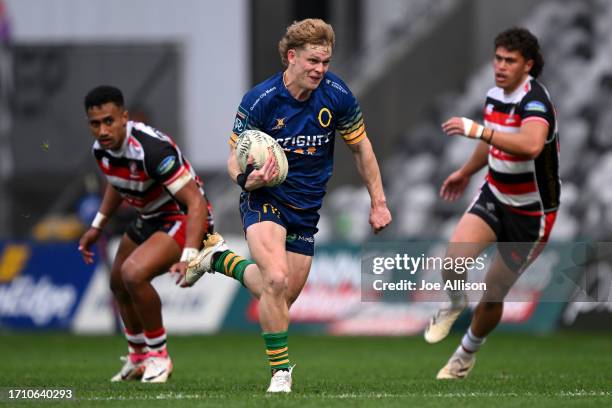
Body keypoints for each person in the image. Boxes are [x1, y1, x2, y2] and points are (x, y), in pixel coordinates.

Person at [182, 18, 392, 393]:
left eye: (325, 62)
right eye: (313, 61)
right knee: (275, 279)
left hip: (307, 206)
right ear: (291, 57)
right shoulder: (260, 100)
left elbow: (361, 147)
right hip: (265, 198)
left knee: (278, 292)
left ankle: (216, 259)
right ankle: (281, 373)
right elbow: (234, 157)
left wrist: (378, 202)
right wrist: (247, 180)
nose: (320, 70)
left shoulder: (337, 94)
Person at [424, 27, 560, 379]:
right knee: (453, 261)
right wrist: (466, 171)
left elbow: (530, 144)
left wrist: (477, 130)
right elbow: (493, 138)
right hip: (495, 194)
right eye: (497, 58)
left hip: (531, 213)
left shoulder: (536, 102)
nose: (500, 66)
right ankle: (455, 303)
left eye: (509, 60)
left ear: (527, 65)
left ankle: (465, 354)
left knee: (493, 293)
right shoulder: (495, 95)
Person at [78, 85, 213, 383]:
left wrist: (190, 255)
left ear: (124, 117)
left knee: (133, 273)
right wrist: (97, 226)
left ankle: (159, 358)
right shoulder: (102, 150)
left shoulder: (152, 149)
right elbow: (118, 182)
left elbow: (196, 202)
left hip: (183, 215)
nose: (102, 129)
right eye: (95, 123)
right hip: (151, 216)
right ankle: (138, 359)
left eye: (109, 121)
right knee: (118, 282)